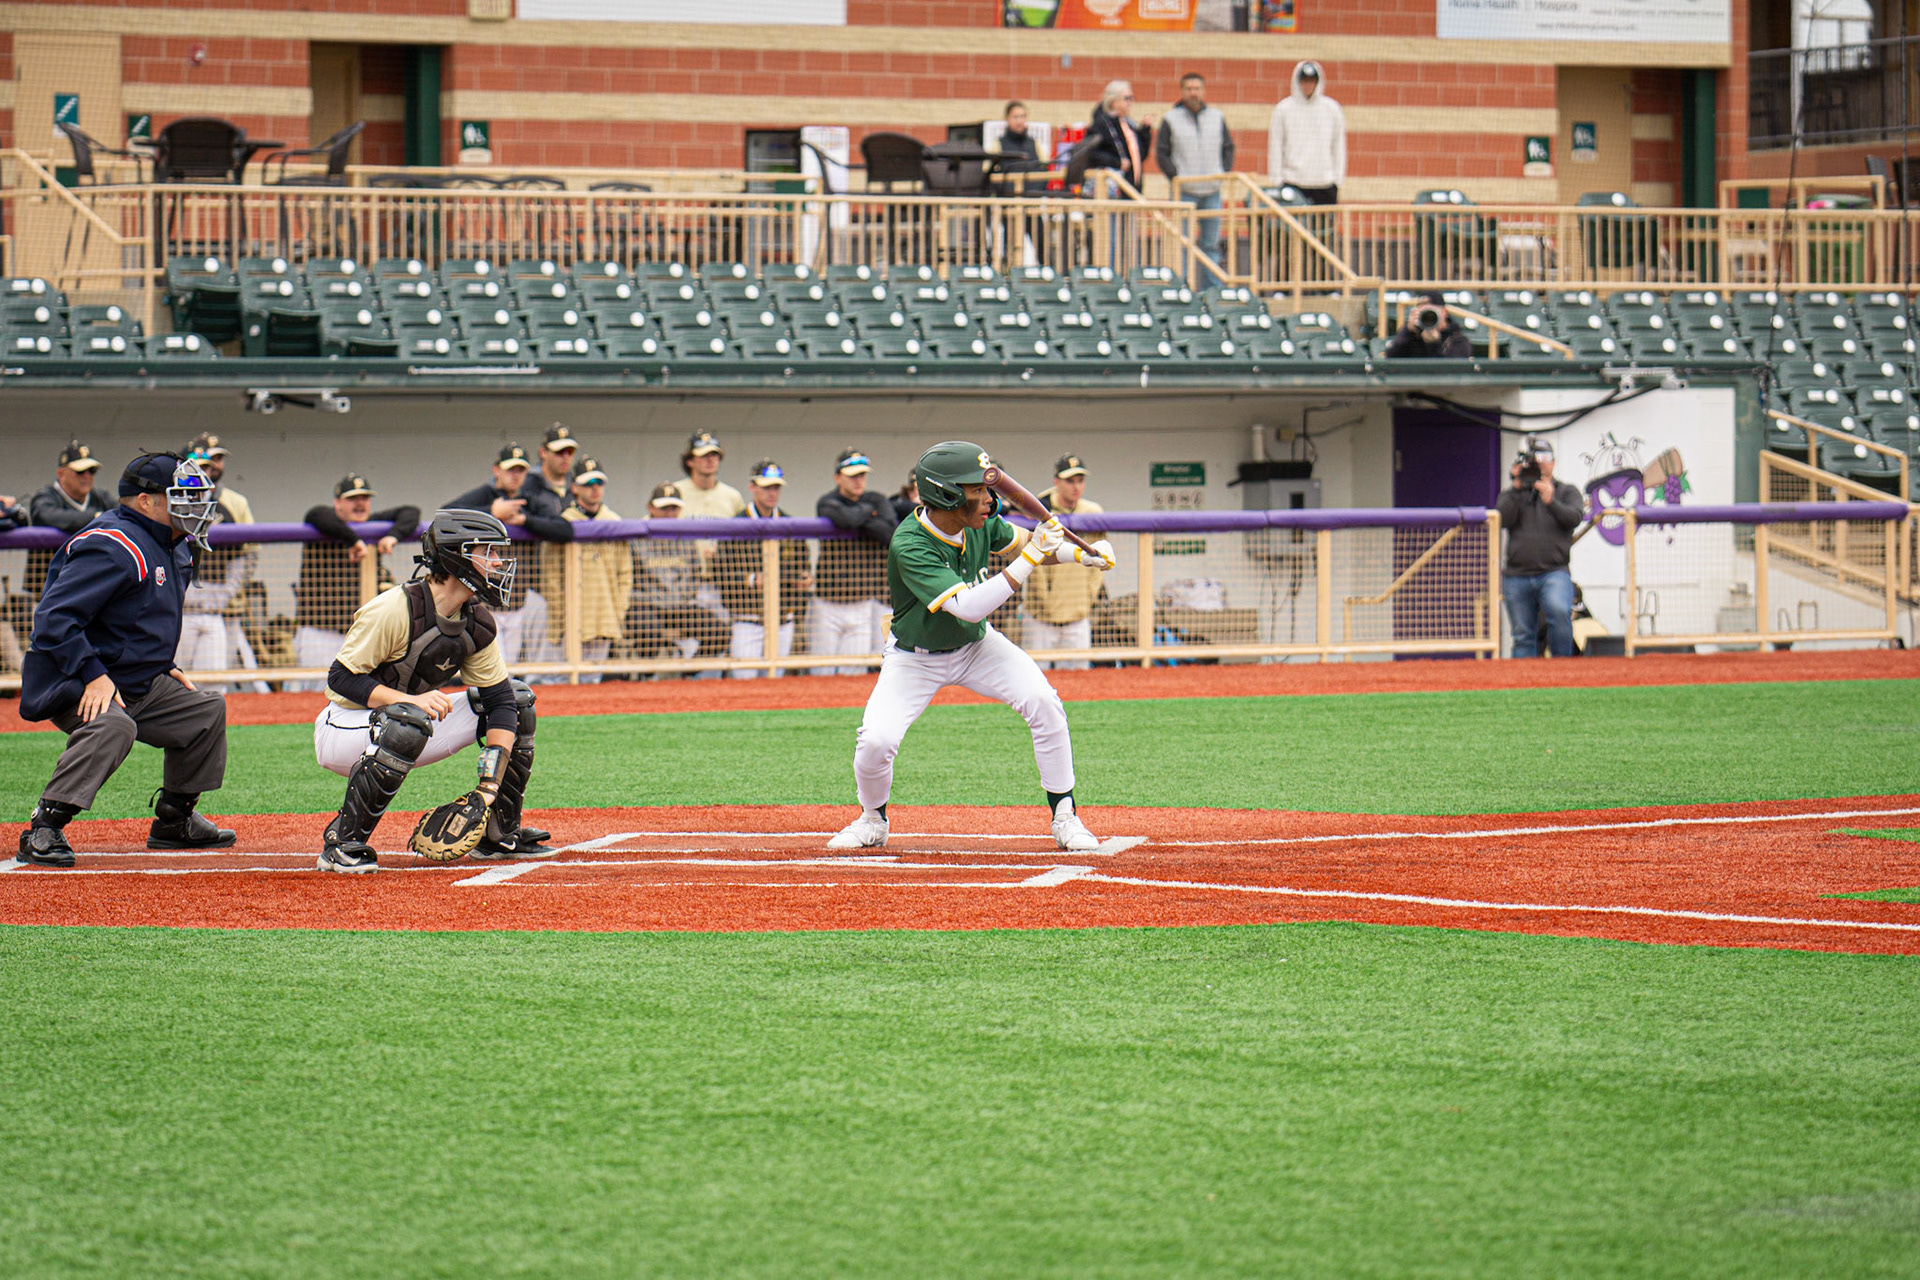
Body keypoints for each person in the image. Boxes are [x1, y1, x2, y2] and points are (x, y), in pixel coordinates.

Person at [827, 441, 1116, 854]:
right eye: (975, 489)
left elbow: (1025, 543)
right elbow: (968, 606)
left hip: (976, 645)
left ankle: (1065, 815)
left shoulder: (979, 522)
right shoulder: (910, 542)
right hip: (915, 658)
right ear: (944, 494)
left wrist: (1079, 556)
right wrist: (1033, 555)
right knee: (876, 742)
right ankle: (873, 819)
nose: (987, 498)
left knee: (1044, 702)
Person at [16, 453, 235, 867]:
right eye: (181, 496)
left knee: (205, 711)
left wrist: (161, 662)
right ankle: (45, 825)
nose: (194, 505)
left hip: (131, 677)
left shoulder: (174, 545)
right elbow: (52, 620)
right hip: (72, 676)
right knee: (114, 727)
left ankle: (174, 820)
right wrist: (92, 674)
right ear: (145, 501)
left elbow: (138, 615)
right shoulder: (113, 545)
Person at [312, 510, 545, 873]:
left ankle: (498, 833)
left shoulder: (476, 621)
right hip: (343, 726)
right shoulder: (394, 608)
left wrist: (487, 788)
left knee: (518, 701)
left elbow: (500, 702)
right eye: (488, 552)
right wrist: (408, 701)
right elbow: (340, 679)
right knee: (408, 720)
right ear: (457, 557)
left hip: (407, 721)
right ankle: (343, 843)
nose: (499, 562)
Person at [446, 443, 575, 671]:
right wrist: (491, 513)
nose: (515, 475)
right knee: (496, 668)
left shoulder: (529, 500)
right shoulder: (484, 495)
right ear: (497, 470)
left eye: (521, 470)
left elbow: (566, 530)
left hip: (520, 598)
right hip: (485, 601)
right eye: (510, 469)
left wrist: (526, 521)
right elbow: (445, 516)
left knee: (516, 668)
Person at [293, 475, 420, 685]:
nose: (360, 504)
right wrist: (354, 540)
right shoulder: (324, 524)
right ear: (337, 503)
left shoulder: (373, 524)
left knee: (359, 694)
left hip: (357, 635)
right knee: (312, 693)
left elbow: (411, 512)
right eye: (352, 498)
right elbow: (316, 514)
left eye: (364, 498)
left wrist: (393, 535)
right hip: (319, 632)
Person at [175, 432, 263, 683]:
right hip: (178, 609)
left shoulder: (228, 505)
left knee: (215, 681)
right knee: (176, 680)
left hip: (219, 607)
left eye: (209, 465)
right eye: (198, 466)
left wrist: (228, 592)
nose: (205, 471)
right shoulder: (170, 503)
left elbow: (247, 554)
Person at [541, 454, 633, 683]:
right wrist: (560, 615)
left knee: (592, 681)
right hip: (571, 618)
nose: (595, 488)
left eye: (599, 482)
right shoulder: (562, 522)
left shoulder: (614, 521)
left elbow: (625, 574)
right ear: (574, 487)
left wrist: (619, 610)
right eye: (588, 483)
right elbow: (550, 577)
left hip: (604, 614)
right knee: (561, 680)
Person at [717, 459, 810, 679]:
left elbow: (802, 565)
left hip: (783, 618)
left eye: (776, 487)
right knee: (744, 681)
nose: (772, 493)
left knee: (775, 682)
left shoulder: (789, 523)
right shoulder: (736, 524)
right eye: (766, 487)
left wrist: (804, 578)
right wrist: (750, 579)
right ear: (752, 487)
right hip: (747, 618)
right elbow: (721, 571)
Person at [626, 482, 730, 670]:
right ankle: (647, 675)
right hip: (646, 605)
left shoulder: (686, 537)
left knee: (719, 632)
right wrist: (654, 599)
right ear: (651, 508)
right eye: (664, 508)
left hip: (680, 606)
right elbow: (627, 579)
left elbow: (695, 574)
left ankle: (689, 673)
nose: (669, 513)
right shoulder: (636, 536)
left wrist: (682, 598)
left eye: (674, 508)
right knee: (647, 630)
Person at [1496, 438, 1583, 659]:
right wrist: (1517, 486)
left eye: (1545, 458)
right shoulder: (1513, 494)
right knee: (1522, 634)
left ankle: (1562, 667)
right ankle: (1523, 678)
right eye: (1534, 460)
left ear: (1553, 462)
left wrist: (1551, 501)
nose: (1540, 464)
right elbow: (1502, 518)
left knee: (1559, 613)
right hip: (1517, 574)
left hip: (1553, 572)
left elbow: (1574, 518)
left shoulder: (1566, 491)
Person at [813, 448, 897, 675]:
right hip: (827, 602)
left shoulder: (876, 498)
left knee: (854, 672)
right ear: (837, 477)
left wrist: (860, 517)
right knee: (821, 672)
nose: (858, 480)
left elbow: (890, 533)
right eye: (852, 476)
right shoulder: (828, 501)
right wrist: (869, 514)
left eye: (862, 475)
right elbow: (846, 519)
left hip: (862, 601)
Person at [1023, 454, 1106, 671]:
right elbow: (1034, 561)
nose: (1076, 486)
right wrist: (1044, 599)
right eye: (1070, 481)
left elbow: (1100, 559)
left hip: (1077, 616)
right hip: (1041, 619)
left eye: (1080, 480)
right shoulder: (1040, 509)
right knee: (1035, 678)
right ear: (1056, 482)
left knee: (1079, 680)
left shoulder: (1093, 512)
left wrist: (1090, 595)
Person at [1155, 73, 1235, 277]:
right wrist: (1176, 176)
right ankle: (1183, 286)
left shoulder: (1217, 117)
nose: (1193, 93)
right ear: (1182, 91)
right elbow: (1161, 152)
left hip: (1212, 191)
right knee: (1181, 243)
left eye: (1197, 88)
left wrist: (1222, 173)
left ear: (1203, 91)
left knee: (1211, 244)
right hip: (1184, 191)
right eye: (1189, 89)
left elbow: (1228, 147)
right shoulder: (1170, 119)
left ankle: (1212, 289)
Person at [26, 440, 112, 601]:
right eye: (80, 471)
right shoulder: (46, 496)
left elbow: (121, 514)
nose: (87, 476)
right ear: (61, 473)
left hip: (92, 582)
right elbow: (46, 515)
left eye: (91, 470)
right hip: (51, 586)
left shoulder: (101, 497)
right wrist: (95, 517)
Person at [1267, 60, 1345, 205]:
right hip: (1293, 182)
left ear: (1318, 82)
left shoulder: (1332, 109)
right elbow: (1276, 146)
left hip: (1324, 184)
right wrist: (1277, 180)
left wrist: (1337, 180)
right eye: (1304, 81)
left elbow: (1338, 146)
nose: (1308, 85)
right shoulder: (1283, 110)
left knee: (1325, 221)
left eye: (1311, 81)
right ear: (1297, 82)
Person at [1085, 80, 1153, 194]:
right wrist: (1117, 162)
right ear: (1114, 101)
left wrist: (1145, 131)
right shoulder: (1101, 124)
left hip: (1131, 186)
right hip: (1111, 188)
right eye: (1127, 98)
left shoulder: (1129, 124)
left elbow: (1140, 156)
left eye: (1132, 98)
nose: (1130, 102)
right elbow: (1092, 153)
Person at [671, 429, 746, 519]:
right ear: (689, 461)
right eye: (703, 455)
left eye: (714, 455)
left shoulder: (733, 496)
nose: (710, 460)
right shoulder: (675, 492)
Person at [1385, 290, 1472, 359]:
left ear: (1444, 312)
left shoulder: (1456, 340)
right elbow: (1391, 360)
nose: (1428, 318)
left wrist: (1434, 344)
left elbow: (1450, 370)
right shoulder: (1411, 337)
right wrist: (1408, 332)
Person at [992, 101, 1042, 169]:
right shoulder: (998, 144)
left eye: (1022, 116)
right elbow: (989, 170)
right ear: (1006, 119)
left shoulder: (1035, 143)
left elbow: (1045, 167)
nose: (1019, 121)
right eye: (1015, 117)